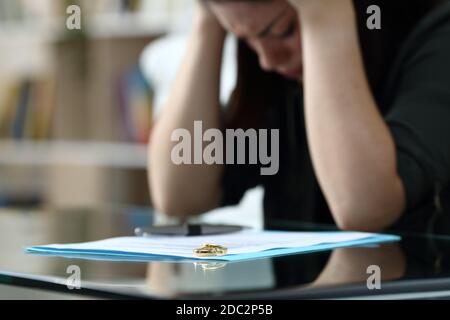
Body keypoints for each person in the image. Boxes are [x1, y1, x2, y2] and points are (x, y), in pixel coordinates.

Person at [148, 0, 450, 232]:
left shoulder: (436, 38)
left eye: (283, 30)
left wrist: (325, 20)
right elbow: (178, 196)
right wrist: (207, 23)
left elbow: (363, 209)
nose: (267, 60)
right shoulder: (276, 77)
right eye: (245, 39)